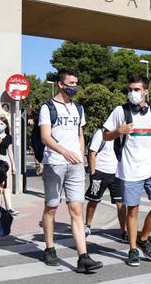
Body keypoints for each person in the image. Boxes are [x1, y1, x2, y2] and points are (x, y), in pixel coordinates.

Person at [39, 69, 103, 273]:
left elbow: (80, 134)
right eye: (70, 83)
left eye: (76, 82)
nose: (74, 86)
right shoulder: (47, 108)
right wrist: (65, 152)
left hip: (75, 165)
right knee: (51, 207)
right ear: (61, 84)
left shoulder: (79, 108)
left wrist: (81, 155)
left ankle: (83, 257)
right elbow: (45, 137)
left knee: (76, 210)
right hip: (55, 164)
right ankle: (49, 248)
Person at [103, 76, 151, 267]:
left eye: (137, 89)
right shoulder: (119, 111)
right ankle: (132, 249)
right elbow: (106, 135)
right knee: (133, 210)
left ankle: (144, 237)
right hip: (130, 169)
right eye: (130, 89)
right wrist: (118, 131)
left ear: (146, 91)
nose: (133, 93)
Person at [84, 126, 126, 240]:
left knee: (120, 203)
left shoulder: (122, 134)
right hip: (100, 172)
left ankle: (123, 231)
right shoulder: (100, 133)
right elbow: (92, 152)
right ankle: (87, 225)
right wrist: (93, 173)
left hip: (117, 173)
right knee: (93, 201)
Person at [0, 116, 19, 216]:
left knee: (6, 185)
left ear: (6, 126)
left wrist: (13, 165)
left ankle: (9, 207)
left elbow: (10, 151)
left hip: (4, 161)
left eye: (2, 124)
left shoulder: (9, 137)